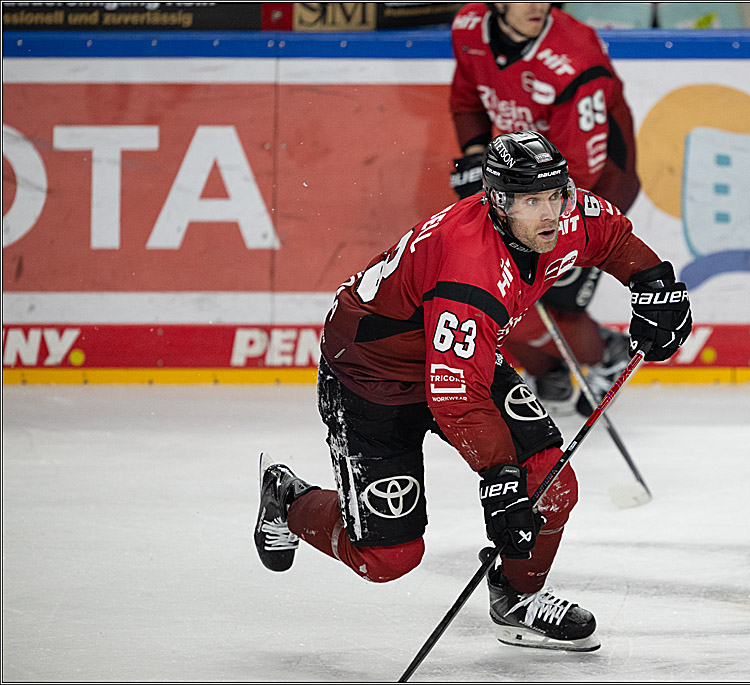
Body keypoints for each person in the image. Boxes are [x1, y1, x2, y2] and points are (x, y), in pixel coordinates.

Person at [253, 131, 691, 652]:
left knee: (552, 486)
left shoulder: (562, 214)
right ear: (499, 204)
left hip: (463, 355)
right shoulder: (470, 270)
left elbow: (613, 239)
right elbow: (456, 397)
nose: (551, 213)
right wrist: (499, 479)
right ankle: (289, 500)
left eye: (556, 194)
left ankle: (517, 598)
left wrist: (654, 282)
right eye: (533, 201)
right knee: (387, 559)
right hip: (372, 375)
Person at [448, 2, 642, 414]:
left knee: (559, 295)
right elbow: (468, 101)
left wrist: (519, 199)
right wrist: (478, 158)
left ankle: (607, 354)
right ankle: (547, 369)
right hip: (527, 179)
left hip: (598, 181)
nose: (537, 5)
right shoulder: (468, 28)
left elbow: (583, 169)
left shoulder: (575, 57)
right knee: (497, 283)